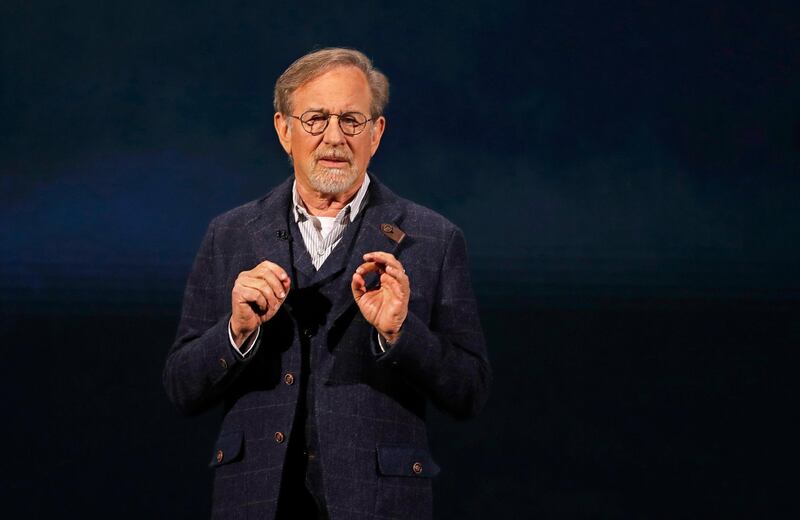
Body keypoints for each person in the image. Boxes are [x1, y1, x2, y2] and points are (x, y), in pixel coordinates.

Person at [163, 47, 491, 520]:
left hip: (378, 505)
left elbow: (470, 391)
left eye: (352, 120)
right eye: (316, 119)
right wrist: (235, 333)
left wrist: (402, 333)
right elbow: (181, 387)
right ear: (284, 130)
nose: (334, 137)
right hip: (254, 503)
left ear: (376, 133)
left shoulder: (433, 239)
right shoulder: (229, 235)